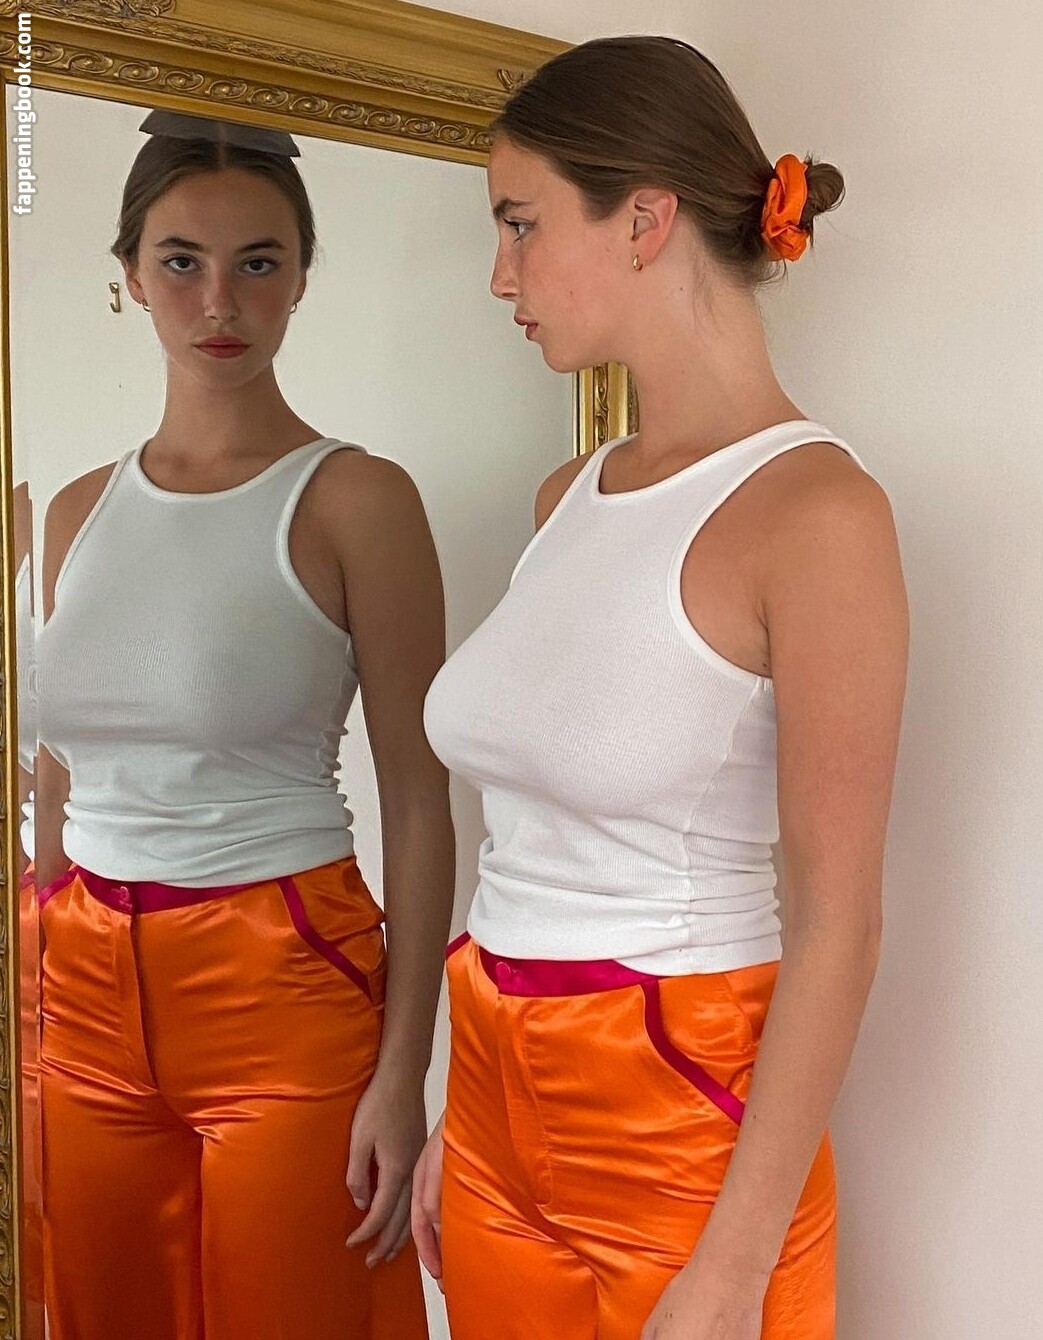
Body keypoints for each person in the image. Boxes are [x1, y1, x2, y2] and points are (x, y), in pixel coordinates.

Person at [415, 35, 908, 1340]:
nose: (499, 274)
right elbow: (524, 839)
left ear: (643, 219)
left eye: (519, 223)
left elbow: (839, 923)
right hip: (491, 1090)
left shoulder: (815, 515)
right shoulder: (563, 498)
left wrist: (733, 1268)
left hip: (681, 1120)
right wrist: (459, 1114)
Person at [33, 111, 453, 1340]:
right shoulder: (74, 512)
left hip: (281, 973)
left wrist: (404, 1071)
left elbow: (418, 797)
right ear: (129, 274)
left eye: (258, 262)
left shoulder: (356, 499)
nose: (219, 300)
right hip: (84, 984)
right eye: (181, 260)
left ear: (302, 276)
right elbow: (56, 778)